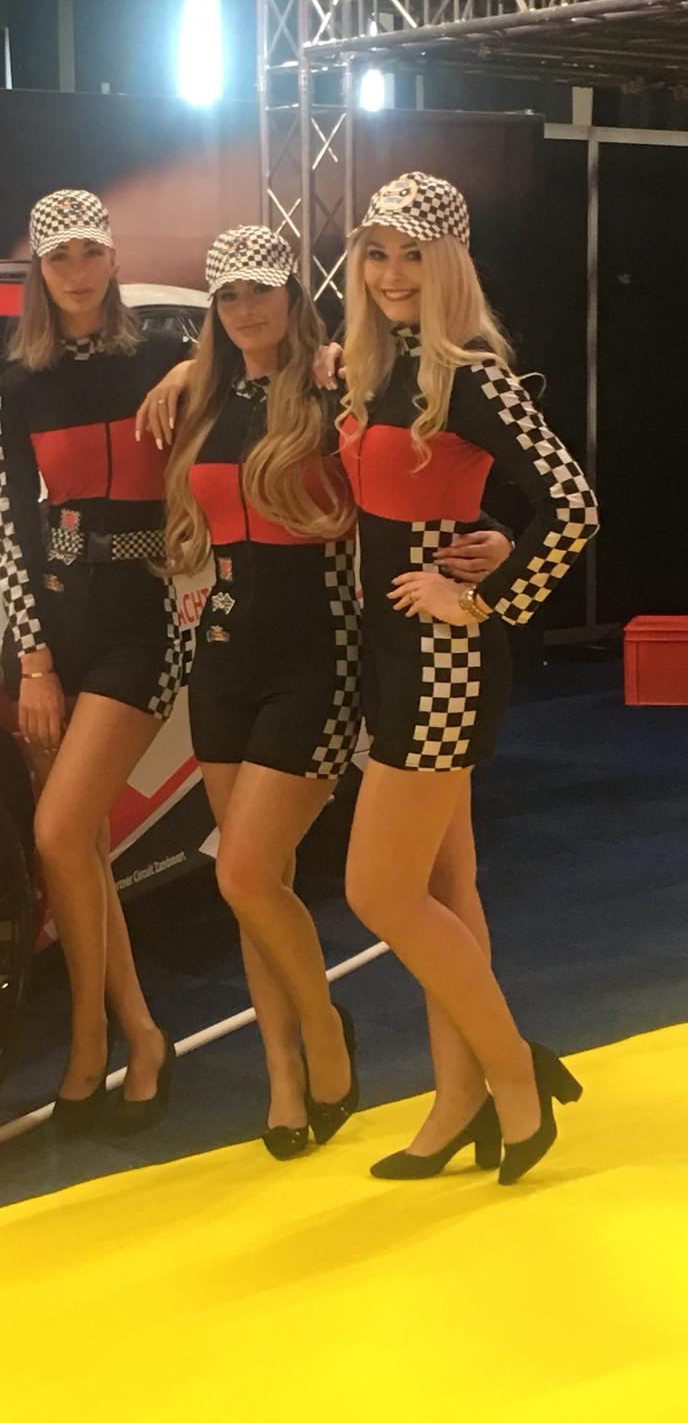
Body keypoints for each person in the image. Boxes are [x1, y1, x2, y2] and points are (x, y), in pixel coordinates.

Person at [148, 226, 511, 1158]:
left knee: (248, 870)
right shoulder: (198, 398)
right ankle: (285, 1075)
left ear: (294, 293)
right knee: (252, 886)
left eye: (262, 289)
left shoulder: (337, 383)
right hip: (223, 656)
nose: (247, 308)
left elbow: (430, 469)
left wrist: (494, 543)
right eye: (228, 295)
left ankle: (335, 1037)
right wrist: (182, 375)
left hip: (325, 650)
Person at [340, 171, 599, 1185]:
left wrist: (484, 601)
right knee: (446, 887)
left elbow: (573, 505)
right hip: (390, 654)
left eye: (413, 254)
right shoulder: (377, 370)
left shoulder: (470, 374)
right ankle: (461, 1100)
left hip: (439, 662)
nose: (392, 273)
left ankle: (515, 1073)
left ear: (449, 264)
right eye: (377, 253)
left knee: (378, 891)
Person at [0, 189, 188, 1133]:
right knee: (83, 849)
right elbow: (10, 527)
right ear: (39, 268)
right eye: (58, 256)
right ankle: (137, 1035)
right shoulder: (17, 382)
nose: (75, 270)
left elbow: (263, 366)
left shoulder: (163, 357)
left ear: (113, 259)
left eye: (89, 252)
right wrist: (33, 660)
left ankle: (92, 1037)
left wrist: (315, 357)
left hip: (144, 621)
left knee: (62, 832)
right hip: (53, 633)